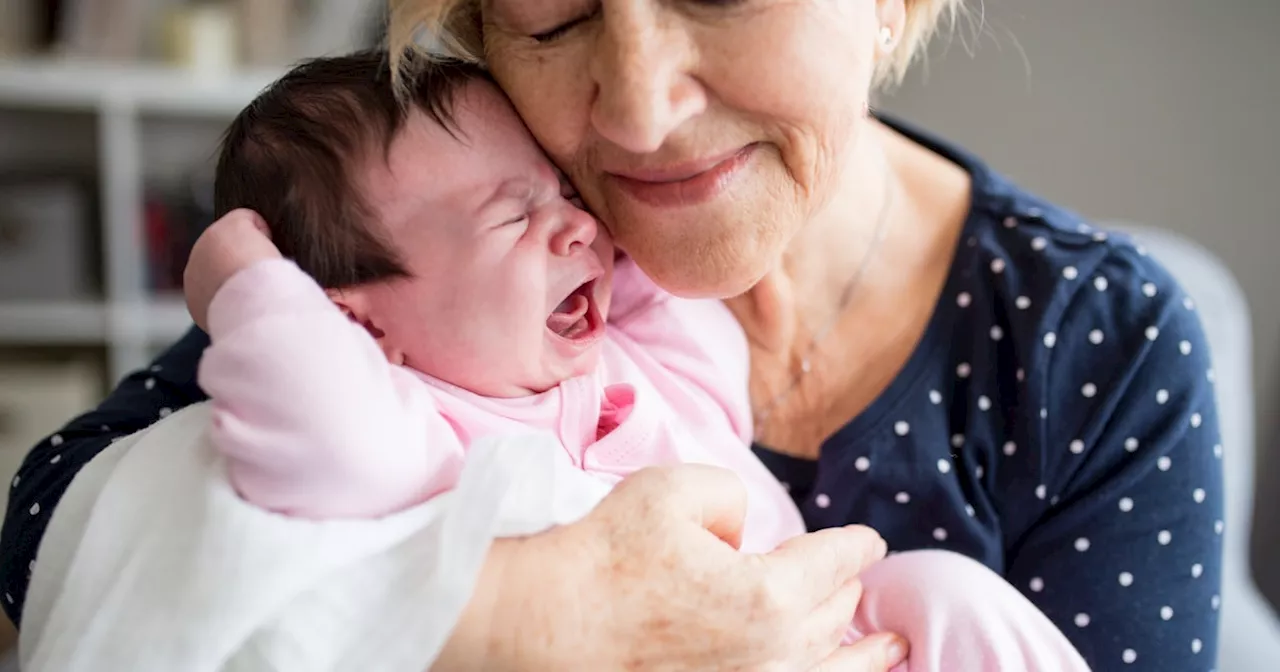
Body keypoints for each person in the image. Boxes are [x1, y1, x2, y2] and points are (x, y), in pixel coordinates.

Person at [2, 0, 1224, 669]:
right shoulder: (420, 317)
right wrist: (526, 621)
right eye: (551, 16)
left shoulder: (1094, 341)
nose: (638, 111)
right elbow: (51, 530)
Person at [179, 50, 1082, 670]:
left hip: (833, 638)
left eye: (564, 191)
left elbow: (656, 261)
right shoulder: (418, 427)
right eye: (511, 215)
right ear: (357, 323)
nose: (574, 224)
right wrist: (241, 275)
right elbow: (321, 435)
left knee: (942, 590)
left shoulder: (647, 360)